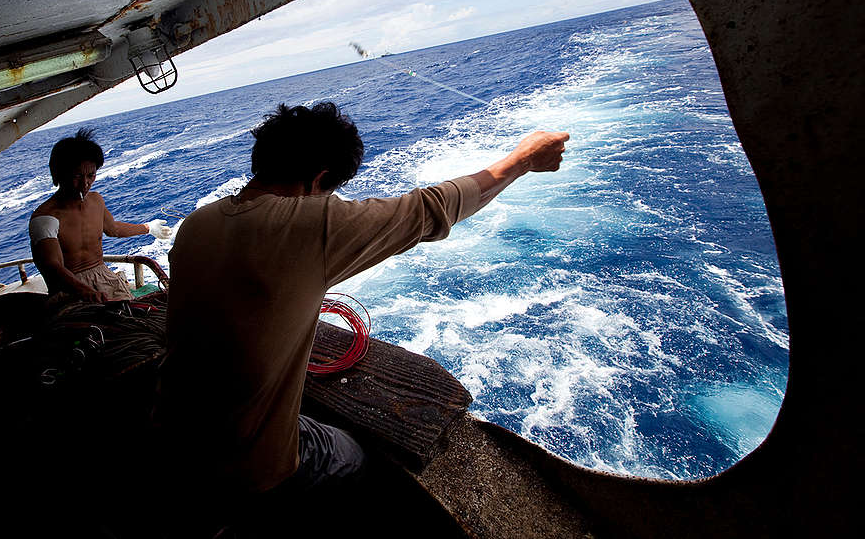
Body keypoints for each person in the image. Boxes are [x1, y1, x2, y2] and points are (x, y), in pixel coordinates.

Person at [156, 102, 568, 533]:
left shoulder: (197, 224)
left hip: (169, 433)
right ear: (319, 180)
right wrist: (522, 160)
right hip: (243, 469)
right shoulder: (309, 225)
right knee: (353, 455)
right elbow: (433, 208)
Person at [29, 128, 173, 303]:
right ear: (59, 174)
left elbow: (113, 229)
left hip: (104, 277)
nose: (85, 183)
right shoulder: (45, 218)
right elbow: (53, 267)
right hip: (69, 290)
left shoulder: (96, 201)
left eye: (91, 175)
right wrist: (85, 291)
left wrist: (148, 228)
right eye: (77, 176)